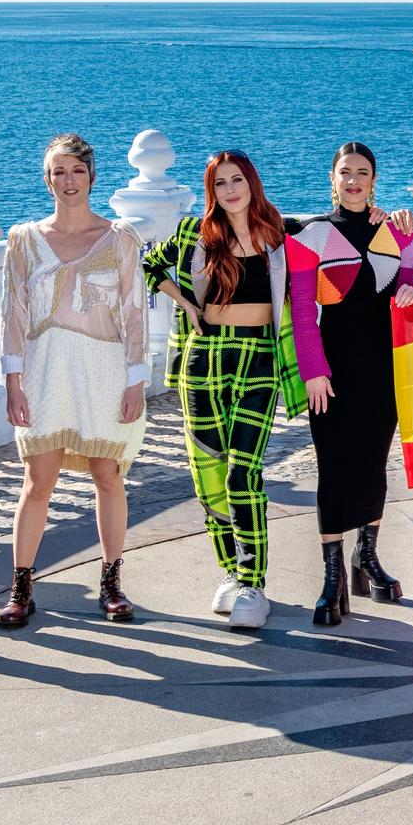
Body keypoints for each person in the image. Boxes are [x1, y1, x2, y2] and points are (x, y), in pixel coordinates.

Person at [143, 151, 306, 631]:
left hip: (259, 359)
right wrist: (188, 304)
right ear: (211, 190)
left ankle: (254, 583)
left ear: (252, 183)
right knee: (208, 474)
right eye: (220, 184)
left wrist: (385, 215)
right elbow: (150, 265)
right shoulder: (196, 233)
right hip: (205, 359)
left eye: (238, 180)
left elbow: (340, 230)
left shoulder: (280, 232)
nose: (230, 190)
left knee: (243, 472)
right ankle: (231, 571)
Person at [0, 134, 150, 628]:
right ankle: (21, 587)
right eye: (57, 171)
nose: (67, 181)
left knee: (108, 477)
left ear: (91, 176)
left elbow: (134, 314)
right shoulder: (24, 240)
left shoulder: (121, 238)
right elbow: (13, 316)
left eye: (76, 171)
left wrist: (135, 382)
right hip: (44, 373)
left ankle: (111, 582)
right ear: (47, 179)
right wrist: (13, 382)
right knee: (37, 480)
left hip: (104, 372)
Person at [286, 142, 413, 627]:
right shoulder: (311, 236)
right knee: (334, 465)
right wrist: (313, 371)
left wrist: (411, 286)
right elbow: (303, 311)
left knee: (373, 462)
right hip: (333, 369)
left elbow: (408, 286)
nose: (354, 181)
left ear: (374, 179)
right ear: (332, 178)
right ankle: (333, 575)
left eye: (363, 173)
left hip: (385, 369)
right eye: (346, 173)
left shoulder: (402, 235)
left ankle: (367, 557)